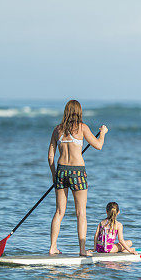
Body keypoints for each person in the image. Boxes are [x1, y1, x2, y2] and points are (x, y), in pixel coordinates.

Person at [47, 100, 107, 256]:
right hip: (77, 172)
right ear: (79, 112)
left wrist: (54, 175)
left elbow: (50, 156)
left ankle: (53, 247)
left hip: (61, 171)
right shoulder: (82, 128)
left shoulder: (57, 130)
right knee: (81, 213)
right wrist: (103, 133)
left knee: (59, 211)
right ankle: (81, 250)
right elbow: (99, 145)